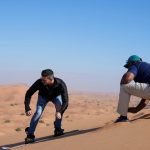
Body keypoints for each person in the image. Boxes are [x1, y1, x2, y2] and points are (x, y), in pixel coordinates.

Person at [24, 69, 69, 143]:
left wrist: (60, 112)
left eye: (44, 80)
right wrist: (27, 107)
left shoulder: (61, 84)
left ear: (50, 79)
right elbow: (29, 93)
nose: (42, 81)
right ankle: (30, 135)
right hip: (43, 97)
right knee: (38, 113)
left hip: (56, 96)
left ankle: (58, 129)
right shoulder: (39, 82)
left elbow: (66, 102)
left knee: (59, 107)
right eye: (42, 78)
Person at [116, 55, 150, 122]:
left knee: (124, 86)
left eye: (128, 66)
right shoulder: (146, 67)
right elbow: (147, 96)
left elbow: (128, 78)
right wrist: (136, 109)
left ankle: (123, 117)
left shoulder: (135, 65)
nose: (128, 68)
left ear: (131, 63)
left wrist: (122, 80)